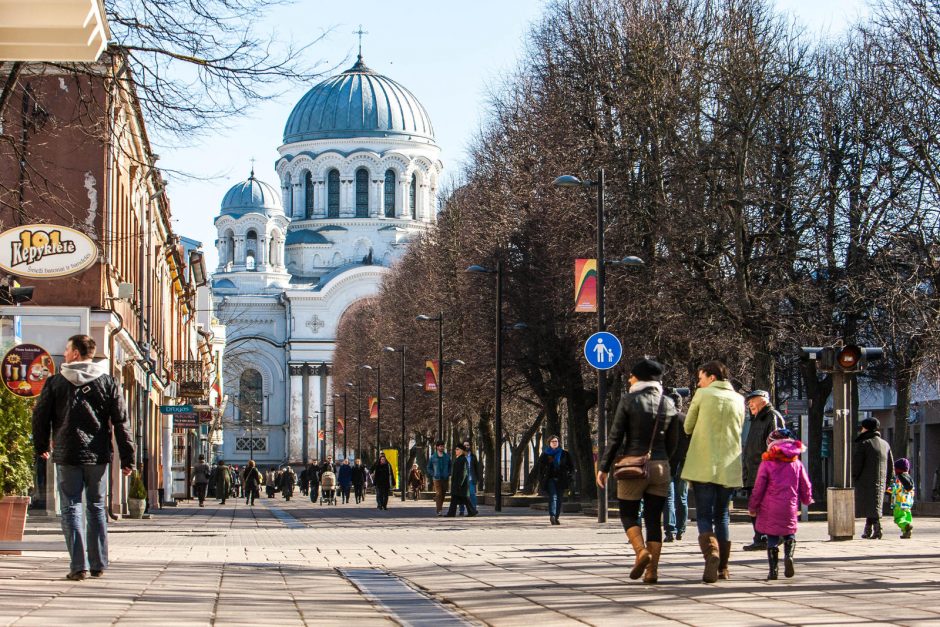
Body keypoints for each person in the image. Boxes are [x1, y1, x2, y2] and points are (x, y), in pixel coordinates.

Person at [31, 334, 135, 581]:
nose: (65, 353)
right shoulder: (108, 382)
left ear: (76, 353)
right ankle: (98, 563)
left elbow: (40, 417)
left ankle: (78, 566)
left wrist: (41, 445)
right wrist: (128, 457)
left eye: (67, 349)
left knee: (71, 507)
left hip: (67, 454)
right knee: (97, 507)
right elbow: (121, 422)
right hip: (97, 455)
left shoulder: (55, 382)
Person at [598, 359, 680, 584]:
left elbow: (615, 437)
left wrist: (603, 467)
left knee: (628, 513)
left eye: (632, 375)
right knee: (654, 519)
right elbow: (674, 441)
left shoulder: (629, 400)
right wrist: (664, 460)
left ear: (640, 377)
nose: (629, 379)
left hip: (633, 466)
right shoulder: (669, 403)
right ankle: (652, 571)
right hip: (661, 466)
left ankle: (640, 552)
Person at [681, 360, 745, 583]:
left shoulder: (702, 395)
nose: (698, 383)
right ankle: (724, 568)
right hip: (729, 467)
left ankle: (712, 554)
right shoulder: (740, 399)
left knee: (704, 515)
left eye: (700, 378)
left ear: (711, 378)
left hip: (703, 465)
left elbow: (687, 426)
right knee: (723, 516)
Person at [747, 429, 813, 580]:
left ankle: (773, 571)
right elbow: (805, 484)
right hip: (790, 505)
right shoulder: (796, 463)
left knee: (772, 536)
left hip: (770, 507)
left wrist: (753, 506)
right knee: (789, 532)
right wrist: (807, 499)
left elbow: (758, 488)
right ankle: (789, 556)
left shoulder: (767, 463)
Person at [741, 390, 785, 552]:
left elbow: (777, 446)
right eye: (748, 402)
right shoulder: (757, 419)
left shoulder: (771, 417)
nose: (749, 404)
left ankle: (769, 536)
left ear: (763, 400)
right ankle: (760, 537)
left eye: (752, 400)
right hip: (754, 471)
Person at [853, 417, 894, 539]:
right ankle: (868, 529)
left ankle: (877, 528)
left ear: (865, 428)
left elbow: (857, 463)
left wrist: (855, 476)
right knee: (874, 505)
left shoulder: (864, 443)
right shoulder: (885, 444)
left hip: (866, 480)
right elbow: (890, 465)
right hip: (881, 480)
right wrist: (888, 480)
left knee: (870, 505)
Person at [663, 391, 690, 542]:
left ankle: (670, 530)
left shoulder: (666, 420)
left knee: (669, 498)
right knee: (682, 497)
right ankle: (681, 529)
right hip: (684, 463)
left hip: (668, 463)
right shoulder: (687, 419)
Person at [537, 435, 575, 525]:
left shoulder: (564, 454)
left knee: (559, 498)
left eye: (556, 441)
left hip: (561, 479)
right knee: (553, 497)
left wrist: (570, 476)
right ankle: (552, 516)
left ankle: (556, 516)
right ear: (549, 443)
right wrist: (541, 478)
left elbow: (571, 467)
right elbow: (540, 468)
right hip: (550, 479)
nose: (555, 443)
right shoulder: (545, 454)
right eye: (553, 441)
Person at [446, 443, 478, 517]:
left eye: (457, 449)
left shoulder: (463, 459)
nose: (455, 451)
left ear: (462, 451)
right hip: (458, 484)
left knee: (464, 498)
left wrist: (459, 483)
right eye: (456, 449)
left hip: (461, 484)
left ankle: (471, 511)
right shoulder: (459, 459)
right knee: (457, 498)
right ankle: (452, 513)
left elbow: (464, 473)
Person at [890, 458, 915, 539]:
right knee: (907, 516)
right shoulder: (909, 477)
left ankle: (905, 526)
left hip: (899, 503)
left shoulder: (898, 478)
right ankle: (906, 532)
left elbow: (893, 488)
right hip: (908, 503)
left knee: (899, 518)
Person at [426, 440, 452, 516]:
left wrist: (449, 473)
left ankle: (440, 508)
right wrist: (433, 474)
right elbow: (429, 467)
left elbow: (450, 466)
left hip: (445, 478)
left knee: (443, 494)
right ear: (437, 447)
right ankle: (439, 510)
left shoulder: (447, 456)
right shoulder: (433, 457)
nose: (442, 448)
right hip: (436, 478)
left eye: (443, 446)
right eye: (440, 446)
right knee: (439, 494)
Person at [458, 440, 481, 516]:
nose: (466, 446)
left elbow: (477, 468)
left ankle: (473, 509)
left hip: (471, 479)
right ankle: (461, 510)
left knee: (472, 495)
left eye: (468, 445)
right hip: (462, 480)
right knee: (462, 495)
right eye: (465, 445)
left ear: (470, 446)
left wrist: (478, 479)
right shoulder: (460, 457)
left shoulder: (473, 457)